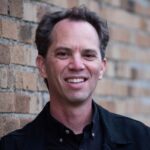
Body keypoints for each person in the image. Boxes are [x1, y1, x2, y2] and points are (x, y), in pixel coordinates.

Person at [0, 6, 150, 150]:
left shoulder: (143, 140)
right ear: (43, 66)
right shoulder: (11, 147)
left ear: (102, 68)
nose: (77, 65)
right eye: (63, 53)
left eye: (88, 55)